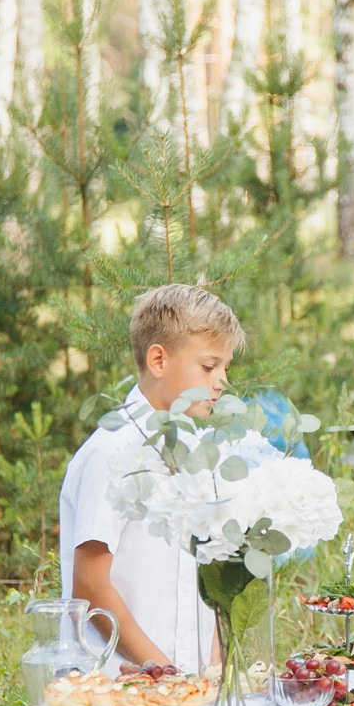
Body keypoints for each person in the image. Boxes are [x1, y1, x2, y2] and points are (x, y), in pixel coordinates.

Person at [60, 283, 246, 671]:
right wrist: (164, 673)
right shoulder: (112, 452)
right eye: (209, 367)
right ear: (158, 360)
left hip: (186, 690)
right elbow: (91, 587)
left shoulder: (199, 454)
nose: (221, 381)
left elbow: (204, 577)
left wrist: (212, 671)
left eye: (225, 367)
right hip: (119, 687)